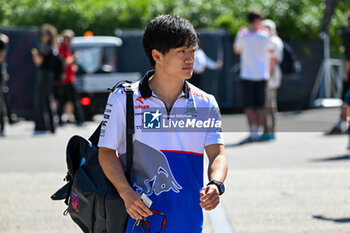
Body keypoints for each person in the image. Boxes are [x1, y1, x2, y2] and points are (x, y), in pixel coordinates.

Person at [98, 14, 228, 233]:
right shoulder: (124, 98)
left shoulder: (205, 102)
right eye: (181, 52)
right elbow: (106, 153)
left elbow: (218, 154)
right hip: (137, 220)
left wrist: (216, 184)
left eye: (192, 51)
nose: (190, 59)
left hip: (189, 221)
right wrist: (126, 193)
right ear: (157, 56)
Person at [233, 10, 273, 143]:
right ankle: (258, 132)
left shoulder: (242, 35)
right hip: (261, 75)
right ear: (258, 21)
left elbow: (236, 50)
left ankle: (253, 131)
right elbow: (271, 50)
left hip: (247, 74)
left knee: (249, 105)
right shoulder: (265, 36)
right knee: (260, 105)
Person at [326, 12, 350, 135]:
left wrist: (346, 72)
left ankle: (341, 123)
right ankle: (341, 123)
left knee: (346, 100)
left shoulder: (347, 32)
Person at [260, 19, 284, 141]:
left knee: (268, 104)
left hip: (271, 73)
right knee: (270, 103)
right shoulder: (274, 40)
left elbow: (272, 60)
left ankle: (269, 131)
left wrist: (267, 75)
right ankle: (269, 130)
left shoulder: (273, 41)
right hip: (272, 73)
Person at [32, 24, 57, 134]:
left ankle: (42, 125)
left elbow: (39, 62)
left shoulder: (47, 47)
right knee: (47, 99)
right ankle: (50, 126)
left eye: (45, 34)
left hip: (45, 74)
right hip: (48, 74)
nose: (43, 36)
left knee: (40, 99)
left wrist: (35, 54)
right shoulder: (51, 46)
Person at [58, 29, 84, 125]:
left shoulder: (68, 50)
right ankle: (79, 119)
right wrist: (73, 58)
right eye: (67, 39)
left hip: (69, 78)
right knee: (74, 99)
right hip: (66, 80)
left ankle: (61, 119)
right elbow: (64, 63)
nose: (69, 41)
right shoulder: (62, 49)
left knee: (64, 100)